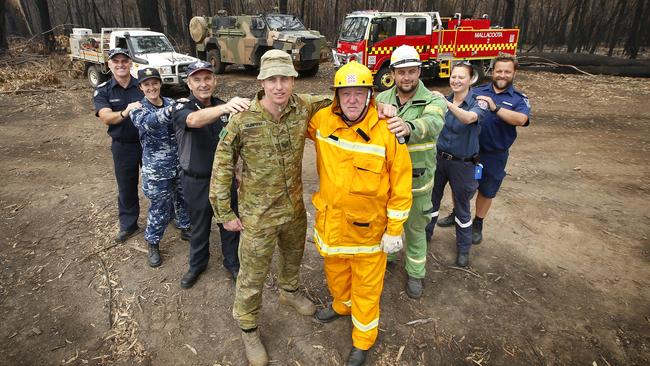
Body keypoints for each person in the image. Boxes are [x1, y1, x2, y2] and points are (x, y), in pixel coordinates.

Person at [209, 50, 331, 366]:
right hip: (257, 217)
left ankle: (289, 292)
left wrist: (379, 103)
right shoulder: (242, 120)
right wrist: (225, 214)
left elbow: (341, 100)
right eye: (273, 79)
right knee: (252, 276)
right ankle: (248, 328)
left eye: (285, 79)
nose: (280, 86)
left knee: (293, 256)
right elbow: (222, 167)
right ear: (262, 81)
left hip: (292, 210)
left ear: (293, 80)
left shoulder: (303, 106)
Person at [308, 61, 412, 366]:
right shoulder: (322, 122)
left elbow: (402, 185)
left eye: (359, 93)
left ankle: (363, 338)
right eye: (346, 93)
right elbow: (285, 115)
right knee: (336, 276)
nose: (352, 99)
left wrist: (395, 229)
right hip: (331, 227)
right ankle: (342, 305)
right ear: (336, 97)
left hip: (368, 233)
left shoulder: (387, 133)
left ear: (371, 96)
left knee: (367, 289)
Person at [436, 54, 531, 245]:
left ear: (514, 73)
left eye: (507, 72)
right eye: (499, 71)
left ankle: (477, 223)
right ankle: (458, 215)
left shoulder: (518, 99)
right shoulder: (477, 90)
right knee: (460, 187)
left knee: (486, 190)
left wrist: (495, 108)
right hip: (468, 152)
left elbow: (521, 120)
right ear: (492, 71)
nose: (502, 75)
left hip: (494, 154)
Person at [375, 45, 446, 299]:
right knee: (388, 225)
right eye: (401, 72)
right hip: (388, 183)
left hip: (417, 183)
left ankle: (416, 273)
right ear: (392, 73)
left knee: (416, 229)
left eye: (412, 71)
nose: (407, 77)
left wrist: (408, 126)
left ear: (419, 72)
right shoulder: (381, 100)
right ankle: (391, 257)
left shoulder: (434, 99)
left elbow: (434, 122)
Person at [172, 60, 250, 289]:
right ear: (189, 83)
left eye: (207, 78)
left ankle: (232, 262)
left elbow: (234, 145)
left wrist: (237, 172)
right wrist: (226, 108)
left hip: (224, 180)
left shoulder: (223, 106)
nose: (203, 84)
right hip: (196, 180)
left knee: (230, 224)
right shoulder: (181, 107)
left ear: (215, 80)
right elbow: (193, 121)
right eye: (197, 79)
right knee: (199, 226)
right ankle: (197, 264)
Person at [424, 62, 487, 267]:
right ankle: (425, 236)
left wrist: (446, 104)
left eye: (461, 77)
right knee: (431, 201)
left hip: (463, 165)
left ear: (471, 79)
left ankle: (463, 248)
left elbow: (469, 119)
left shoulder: (479, 102)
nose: (456, 80)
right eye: (453, 76)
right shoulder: (444, 99)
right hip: (440, 160)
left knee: (462, 208)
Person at [129, 67, 191, 268]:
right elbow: (148, 123)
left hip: (179, 164)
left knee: (183, 199)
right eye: (147, 84)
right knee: (160, 207)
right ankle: (153, 241)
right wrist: (172, 111)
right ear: (141, 87)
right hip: (157, 170)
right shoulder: (138, 108)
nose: (152, 87)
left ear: (160, 84)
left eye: (154, 83)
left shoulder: (172, 103)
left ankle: (184, 227)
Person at [94, 48, 144, 243]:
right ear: (109, 65)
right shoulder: (103, 90)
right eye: (116, 61)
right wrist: (125, 112)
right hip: (123, 147)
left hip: (148, 143)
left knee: (161, 183)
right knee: (126, 186)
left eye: (125, 61)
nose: (121, 64)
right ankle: (129, 224)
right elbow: (106, 117)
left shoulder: (142, 86)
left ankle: (172, 216)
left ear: (131, 63)